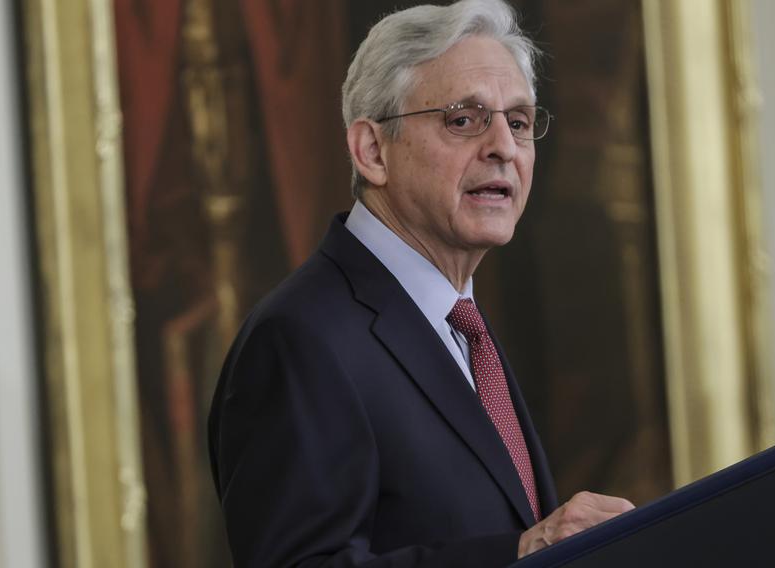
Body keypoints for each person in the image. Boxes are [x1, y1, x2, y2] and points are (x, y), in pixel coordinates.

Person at [207, 1, 633, 566]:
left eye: (520, 122)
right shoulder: (300, 339)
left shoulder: (461, 326)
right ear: (372, 150)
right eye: (464, 120)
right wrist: (524, 550)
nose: (504, 147)